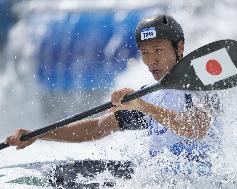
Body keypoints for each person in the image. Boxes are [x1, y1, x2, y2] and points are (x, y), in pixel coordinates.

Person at [5, 14, 223, 182]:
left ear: (180, 47)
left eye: (158, 50)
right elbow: (97, 127)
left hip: (196, 180)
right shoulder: (150, 93)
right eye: (145, 53)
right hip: (157, 178)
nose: (151, 61)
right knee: (67, 173)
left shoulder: (202, 84)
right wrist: (38, 135)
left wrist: (143, 106)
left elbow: (197, 128)